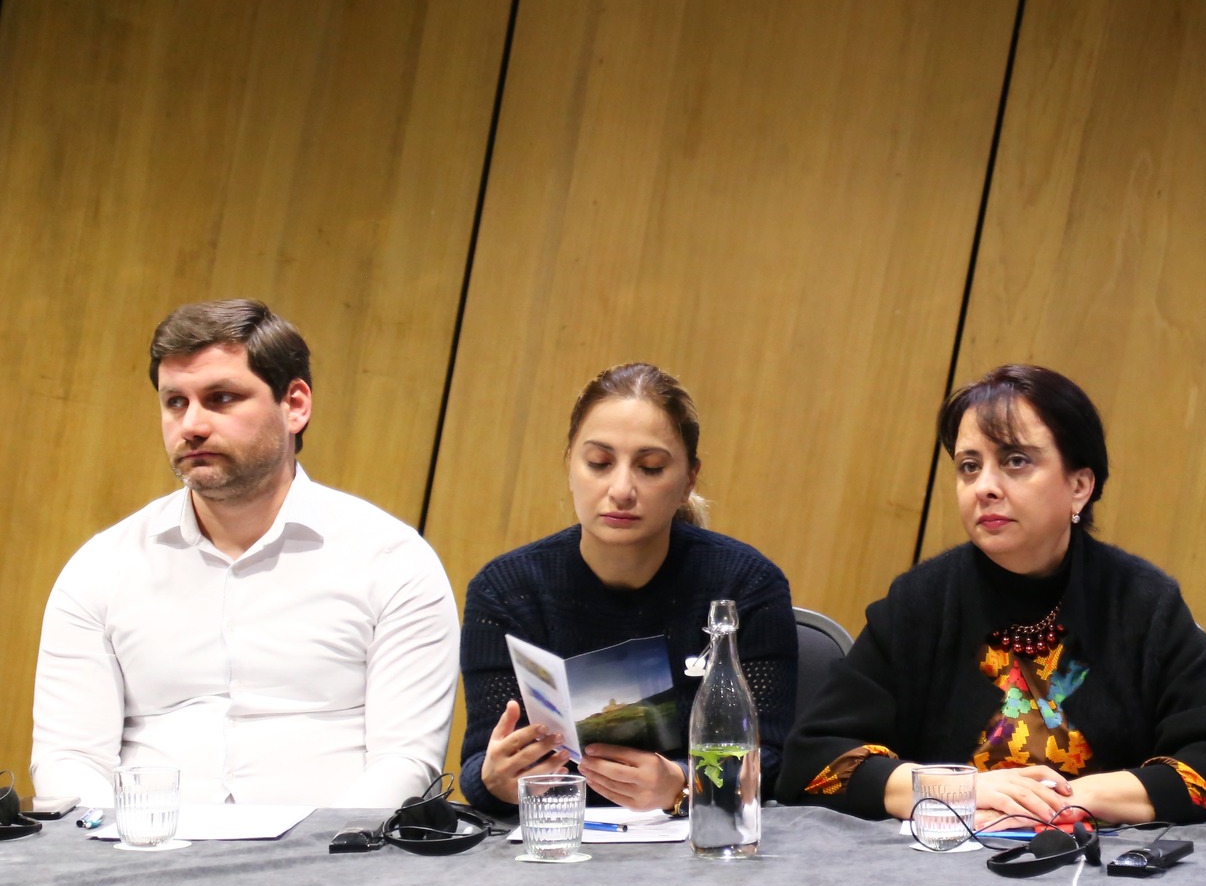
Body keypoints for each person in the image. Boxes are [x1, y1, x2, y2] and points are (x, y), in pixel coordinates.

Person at [777, 364, 1206, 825]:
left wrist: (1071, 799)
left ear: (1079, 486)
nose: (984, 487)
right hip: (944, 865)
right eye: (969, 467)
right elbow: (812, 761)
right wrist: (952, 789)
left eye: (1015, 461)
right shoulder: (920, 603)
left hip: (1097, 866)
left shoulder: (1143, 604)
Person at [32, 300, 459, 808]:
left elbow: (406, 761)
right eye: (175, 402)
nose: (191, 425)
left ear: (295, 405)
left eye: (221, 398)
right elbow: (69, 758)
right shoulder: (102, 567)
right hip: (143, 846)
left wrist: (320, 847)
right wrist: (117, 838)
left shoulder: (392, 561)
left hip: (332, 848)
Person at [460, 363, 797, 816]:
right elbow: (479, 761)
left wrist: (683, 784)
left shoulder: (745, 585)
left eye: (650, 468)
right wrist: (496, 780)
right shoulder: (505, 590)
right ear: (570, 466)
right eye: (599, 463)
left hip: (694, 838)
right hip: (554, 834)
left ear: (688, 481)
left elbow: (774, 758)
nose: (621, 489)